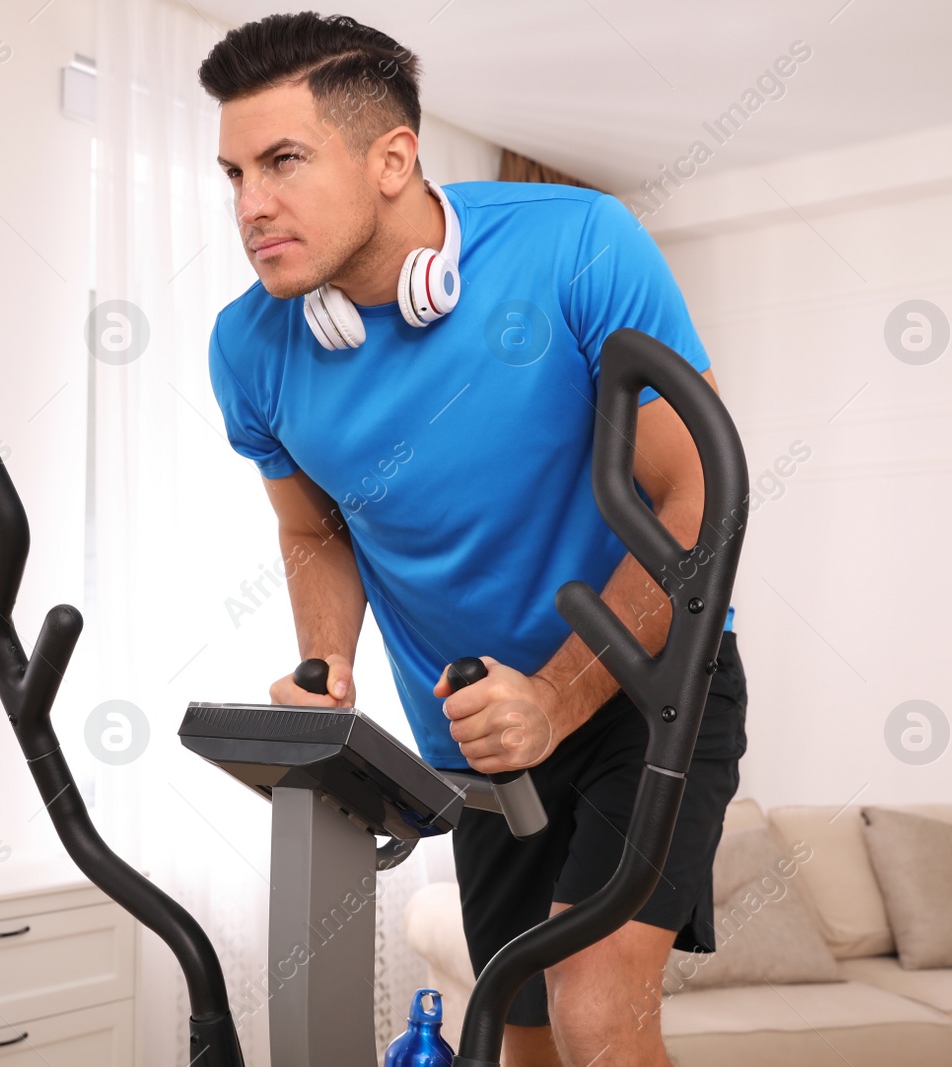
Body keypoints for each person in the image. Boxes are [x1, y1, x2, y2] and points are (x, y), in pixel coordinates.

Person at [198, 13, 747, 1067]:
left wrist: (556, 695)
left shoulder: (580, 246)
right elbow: (312, 525)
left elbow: (696, 505)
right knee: (518, 1033)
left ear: (392, 157)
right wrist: (330, 662)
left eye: (281, 161)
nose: (249, 204)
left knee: (597, 1011)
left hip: (648, 685)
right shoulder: (249, 346)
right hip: (478, 729)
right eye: (232, 173)